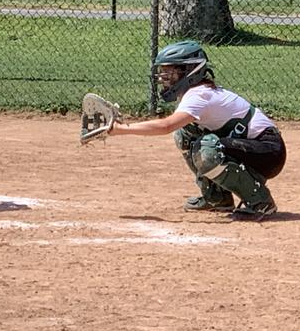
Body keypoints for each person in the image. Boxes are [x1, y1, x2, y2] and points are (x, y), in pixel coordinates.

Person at [106, 41, 286, 219]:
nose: (163, 78)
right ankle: (217, 198)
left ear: (190, 71)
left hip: (269, 152)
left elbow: (166, 126)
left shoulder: (199, 95)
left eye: (170, 72)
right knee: (186, 134)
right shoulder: (196, 92)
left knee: (208, 149)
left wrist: (120, 129)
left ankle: (261, 202)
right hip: (253, 147)